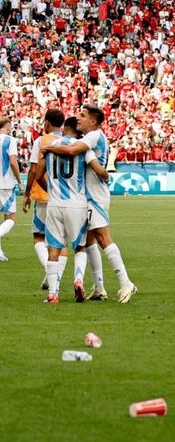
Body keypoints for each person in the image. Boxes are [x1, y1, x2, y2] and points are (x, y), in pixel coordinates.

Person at [43, 105, 138, 303]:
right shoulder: (90, 139)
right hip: (86, 197)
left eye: (83, 116)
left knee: (103, 238)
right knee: (89, 242)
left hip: (96, 197)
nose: (79, 118)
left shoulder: (93, 137)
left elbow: (73, 150)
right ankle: (100, 287)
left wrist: (50, 147)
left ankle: (125, 282)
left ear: (93, 121)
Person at [36, 117, 109, 303]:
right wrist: (105, 176)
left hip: (54, 204)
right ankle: (78, 280)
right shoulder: (81, 148)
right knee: (80, 247)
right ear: (74, 129)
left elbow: (38, 176)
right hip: (77, 203)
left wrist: (51, 191)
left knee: (54, 249)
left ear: (64, 127)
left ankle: (53, 294)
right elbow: (97, 170)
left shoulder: (50, 146)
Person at [23, 109, 67, 288]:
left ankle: (51, 274)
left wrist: (27, 194)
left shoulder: (41, 141)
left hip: (44, 194)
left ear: (47, 123)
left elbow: (34, 170)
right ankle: (54, 276)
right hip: (64, 196)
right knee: (61, 240)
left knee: (38, 236)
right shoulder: (69, 141)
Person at [0, 116, 24, 261]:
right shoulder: (10, 140)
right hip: (5, 184)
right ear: (7, 126)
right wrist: (20, 182)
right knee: (10, 218)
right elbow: (13, 162)